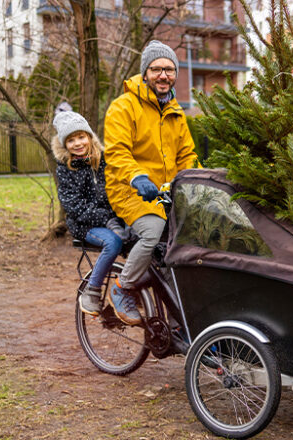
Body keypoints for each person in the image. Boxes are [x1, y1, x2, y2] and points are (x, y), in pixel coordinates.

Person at [104, 40, 201, 325]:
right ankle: (122, 288)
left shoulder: (175, 111)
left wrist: (199, 181)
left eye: (169, 69)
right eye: (157, 68)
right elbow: (116, 152)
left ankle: (178, 312)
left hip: (165, 192)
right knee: (154, 230)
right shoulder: (123, 107)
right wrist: (137, 176)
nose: (163, 75)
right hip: (129, 189)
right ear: (145, 73)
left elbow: (187, 154)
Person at [52, 108, 134, 317]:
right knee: (113, 242)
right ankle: (92, 290)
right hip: (85, 224)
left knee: (143, 239)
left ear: (89, 136)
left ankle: (132, 291)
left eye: (81, 137)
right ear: (65, 145)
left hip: (113, 218)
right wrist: (107, 220)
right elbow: (73, 206)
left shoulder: (104, 160)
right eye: (71, 140)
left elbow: (118, 188)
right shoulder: (65, 168)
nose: (78, 143)